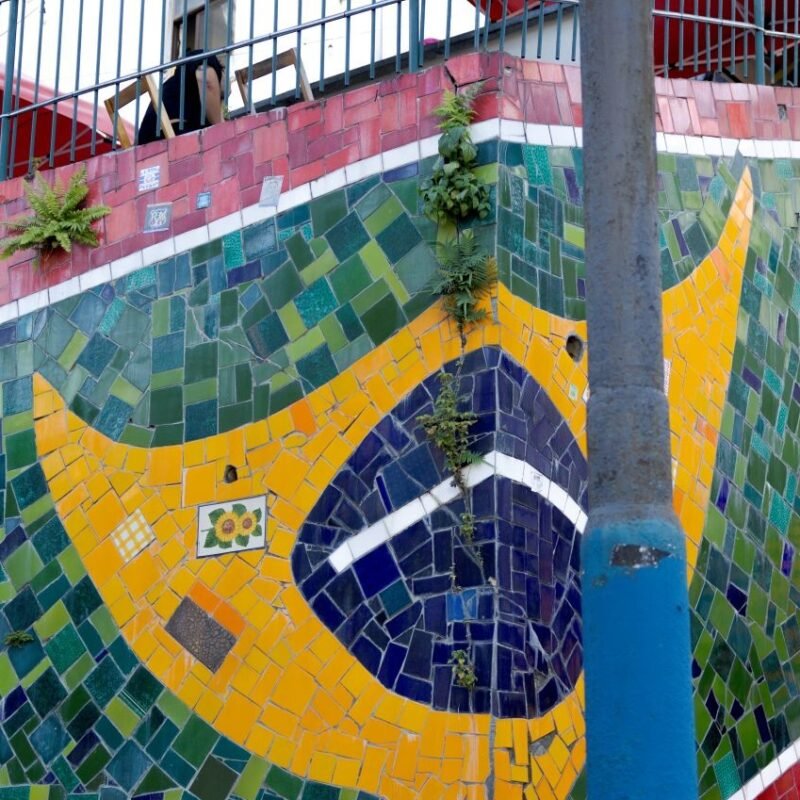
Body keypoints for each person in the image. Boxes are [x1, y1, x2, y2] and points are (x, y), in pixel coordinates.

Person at [138, 50, 225, 145]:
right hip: (169, 136)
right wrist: (222, 131)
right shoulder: (207, 63)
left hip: (149, 143)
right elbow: (206, 77)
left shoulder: (173, 85)